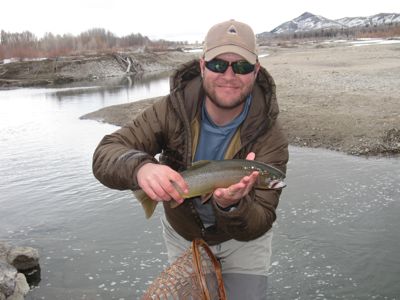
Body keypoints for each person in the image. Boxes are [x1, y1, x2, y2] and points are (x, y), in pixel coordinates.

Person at [92, 19, 289, 299]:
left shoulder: (270, 135)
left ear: (256, 71)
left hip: (243, 240)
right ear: (202, 66)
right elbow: (106, 152)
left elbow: (261, 220)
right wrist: (141, 168)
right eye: (218, 64)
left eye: (242, 66)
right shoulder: (171, 110)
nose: (229, 75)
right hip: (183, 234)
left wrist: (231, 206)